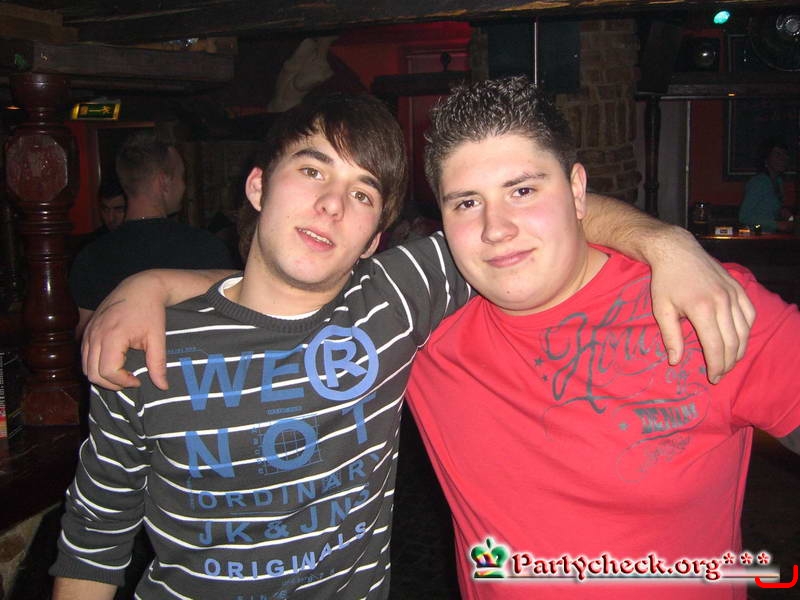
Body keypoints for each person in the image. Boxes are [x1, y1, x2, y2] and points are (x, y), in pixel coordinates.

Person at [57, 91, 754, 600]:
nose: (333, 204)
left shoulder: (394, 297)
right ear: (259, 185)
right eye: (313, 170)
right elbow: (94, 538)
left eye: (363, 194)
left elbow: (533, 213)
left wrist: (665, 242)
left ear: (375, 240)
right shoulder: (146, 345)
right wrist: (148, 285)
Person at [404, 77, 800, 599]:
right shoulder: (421, 329)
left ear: (576, 190)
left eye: (522, 191)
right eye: (466, 203)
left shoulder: (703, 303)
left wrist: (664, 243)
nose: (495, 228)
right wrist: (657, 235)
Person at [68, 131, 236, 337]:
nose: (183, 186)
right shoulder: (205, 247)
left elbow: (85, 333)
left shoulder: (92, 255)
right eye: (181, 177)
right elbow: (227, 325)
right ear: (164, 182)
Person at [738, 139, 794, 233]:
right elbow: (744, 217)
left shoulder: (778, 181)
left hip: (770, 235)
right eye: (778, 155)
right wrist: (777, 224)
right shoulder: (758, 182)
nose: (783, 159)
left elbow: (769, 211)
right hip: (755, 236)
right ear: (766, 159)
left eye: (785, 154)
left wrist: (787, 216)